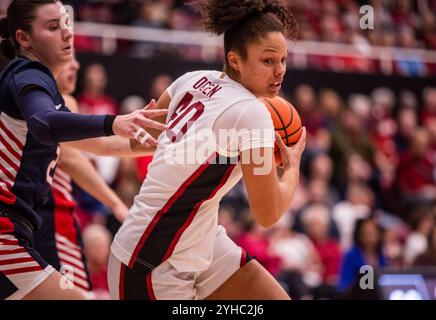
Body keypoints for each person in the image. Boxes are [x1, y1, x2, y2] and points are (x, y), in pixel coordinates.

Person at [108, 0, 305, 300]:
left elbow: (139, 141)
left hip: (198, 238)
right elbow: (268, 214)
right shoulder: (252, 113)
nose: (280, 71)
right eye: (268, 61)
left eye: (284, 60)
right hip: (151, 262)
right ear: (235, 59)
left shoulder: (191, 79)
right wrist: (291, 168)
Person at [0, 0, 166, 300]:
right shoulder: (27, 74)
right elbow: (45, 125)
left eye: (66, 24)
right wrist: (114, 122)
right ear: (24, 38)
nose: (67, 34)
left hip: (21, 228)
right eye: (53, 27)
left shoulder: (43, 87)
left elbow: (104, 143)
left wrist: (169, 141)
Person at [33, 56, 131, 297]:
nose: (76, 65)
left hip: (37, 214)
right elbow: (74, 157)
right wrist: (115, 203)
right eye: (66, 58)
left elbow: (99, 147)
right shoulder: (61, 101)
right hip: (50, 213)